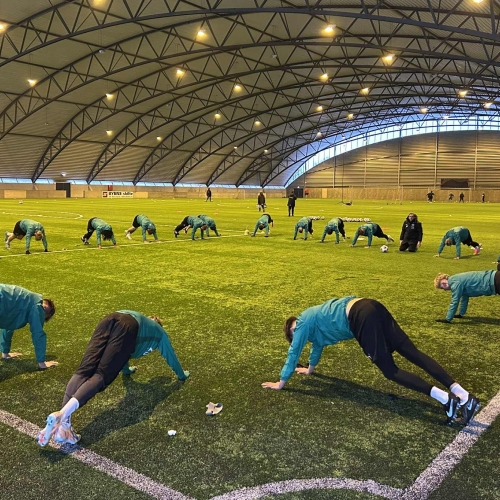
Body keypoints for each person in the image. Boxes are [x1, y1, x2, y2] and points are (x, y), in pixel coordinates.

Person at [262, 296, 480, 426]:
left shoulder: (301, 323)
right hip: (369, 305)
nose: (298, 337)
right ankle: (463, 395)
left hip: (360, 317)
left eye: (294, 334)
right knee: (411, 352)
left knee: (390, 370)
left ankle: (446, 399)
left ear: (293, 328)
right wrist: (310, 369)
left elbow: (294, 352)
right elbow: (317, 346)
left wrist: (281, 382)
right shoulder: (314, 326)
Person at [37, 311, 190, 447]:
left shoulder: (142, 324)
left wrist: (128, 370)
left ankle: (64, 426)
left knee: (84, 370)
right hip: (128, 326)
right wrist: (182, 375)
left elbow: (123, 354)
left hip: (110, 318)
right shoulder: (160, 333)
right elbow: (171, 356)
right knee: (101, 375)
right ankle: (63, 414)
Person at [0, 284, 57, 369]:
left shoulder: (26, 300)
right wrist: (42, 363)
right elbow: (38, 333)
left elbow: (8, 325)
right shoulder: (38, 306)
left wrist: (5, 352)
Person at [434, 270, 500, 323]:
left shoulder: (454, 282)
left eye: (442, 284)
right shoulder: (455, 279)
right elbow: (464, 297)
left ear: (445, 278)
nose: (444, 285)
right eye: (441, 286)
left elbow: (454, 301)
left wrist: (448, 319)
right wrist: (461, 314)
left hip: (494, 281)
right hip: (493, 279)